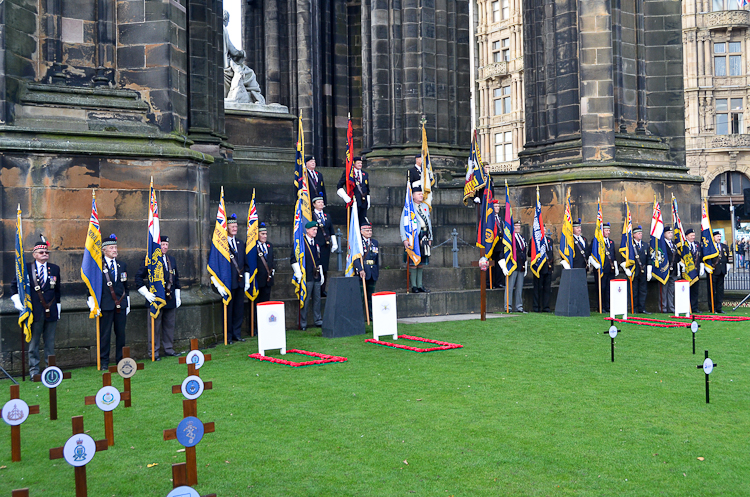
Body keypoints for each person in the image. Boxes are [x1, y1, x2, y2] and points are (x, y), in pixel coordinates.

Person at [10, 235, 61, 380]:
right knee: (34, 343)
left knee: (50, 343)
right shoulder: (26, 268)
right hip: (35, 312)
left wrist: (58, 307)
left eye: (46, 252)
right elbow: (14, 286)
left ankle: (51, 369)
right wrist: (17, 302)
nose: (44, 254)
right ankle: (34, 370)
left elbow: (57, 290)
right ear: (34, 254)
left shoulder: (55, 269)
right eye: (41, 252)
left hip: (51, 311)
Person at [135, 235, 182, 361]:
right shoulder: (150, 259)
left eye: (166, 245)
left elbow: (176, 278)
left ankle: (169, 349)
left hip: (170, 298)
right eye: (162, 244)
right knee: (154, 327)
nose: (165, 247)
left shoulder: (171, 259)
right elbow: (138, 278)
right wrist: (146, 293)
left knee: (169, 325)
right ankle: (153, 352)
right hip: (155, 298)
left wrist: (178, 295)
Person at [93, 234, 130, 367]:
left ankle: (120, 360)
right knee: (105, 335)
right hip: (106, 305)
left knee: (121, 334)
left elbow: (125, 285)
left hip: (121, 304)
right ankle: (104, 361)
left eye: (115, 247)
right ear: (104, 250)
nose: (115, 250)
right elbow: (92, 285)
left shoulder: (122, 265)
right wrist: (92, 302)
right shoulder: (97, 266)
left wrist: (128, 301)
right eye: (111, 248)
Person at [291, 221, 324, 330]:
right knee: (304, 299)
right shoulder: (301, 243)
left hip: (316, 275)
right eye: (313, 229)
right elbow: (293, 258)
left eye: (316, 229)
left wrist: (322, 273)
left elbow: (319, 259)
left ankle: (318, 320)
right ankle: (303, 322)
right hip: (306, 276)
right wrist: (298, 272)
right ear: (307, 230)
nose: (315, 231)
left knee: (317, 299)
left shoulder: (317, 243)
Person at [400, 186, 432, 293]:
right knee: (414, 262)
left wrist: (430, 237)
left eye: (422, 194)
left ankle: (420, 285)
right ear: (413, 196)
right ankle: (414, 286)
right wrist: (404, 239)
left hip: (424, 236)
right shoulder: (408, 207)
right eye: (419, 194)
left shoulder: (425, 207)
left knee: (421, 262)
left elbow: (429, 223)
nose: (421, 195)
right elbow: (402, 224)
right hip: (413, 237)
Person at [226, 214, 249, 343]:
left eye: (236, 226)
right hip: (229, 282)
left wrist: (246, 279)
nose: (235, 228)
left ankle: (237, 333)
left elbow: (245, 263)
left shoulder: (240, 243)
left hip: (240, 283)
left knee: (239, 309)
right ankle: (228, 336)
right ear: (227, 227)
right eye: (232, 226)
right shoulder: (222, 244)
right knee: (229, 310)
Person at [589, 222, 618, 312]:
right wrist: (595, 264)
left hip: (610, 269)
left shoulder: (611, 242)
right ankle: (600, 307)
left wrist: (616, 267)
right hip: (601, 270)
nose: (608, 232)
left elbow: (614, 256)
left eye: (609, 230)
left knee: (609, 289)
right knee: (602, 288)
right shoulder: (596, 242)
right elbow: (591, 254)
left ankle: (607, 306)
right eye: (606, 230)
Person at [311, 196, 337, 297]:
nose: (321, 204)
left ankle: (322, 289)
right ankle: (315, 290)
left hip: (325, 245)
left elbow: (331, 230)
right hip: (316, 244)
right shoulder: (311, 215)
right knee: (316, 267)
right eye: (319, 202)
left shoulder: (327, 216)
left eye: (322, 202)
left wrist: (334, 242)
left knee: (325, 267)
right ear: (314, 204)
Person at [353, 219, 379, 312]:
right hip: (363, 271)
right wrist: (360, 269)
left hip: (373, 272)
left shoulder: (374, 242)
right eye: (367, 231)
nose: (369, 232)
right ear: (361, 231)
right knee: (361, 296)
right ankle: (359, 314)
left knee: (371, 295)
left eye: (370, 230)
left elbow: (377, 259)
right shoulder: (358, 243)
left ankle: (371, 314)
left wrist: (377, 272)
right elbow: (355, 258)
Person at [337, 156, 370, 226]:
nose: (360, 165)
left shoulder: (365, 174)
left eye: (361, 163)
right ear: (354, 164)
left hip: (363, 202)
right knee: (354, 223)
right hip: (353, 201)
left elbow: (367, 188)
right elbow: (339, 185)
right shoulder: (349, 173)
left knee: (363, 222)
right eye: (358, 163)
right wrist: (345, 196)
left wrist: (368, 199)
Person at [502, 220, 527, 312]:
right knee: (510, 287)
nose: (518, 227)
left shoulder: (522, 238)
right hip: (512, 265)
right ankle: (507, 307)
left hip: (521, 266)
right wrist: (504, 267)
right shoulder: (510, 239)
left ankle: (519, 307)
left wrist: (525, 265)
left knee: (519, 288)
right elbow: (504, 252)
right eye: (516, 225)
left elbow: (523, 252)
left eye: (519, 226)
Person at [529, 225, 554, 312]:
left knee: (547, 288)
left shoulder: (549, 240)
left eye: (544, 228)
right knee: (538, 288)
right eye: (542, 229)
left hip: (548, 268)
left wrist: (552, 267)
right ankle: (537, 307)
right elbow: (530, 253)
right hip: (539, 268)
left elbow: (551, 254)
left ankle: (546, 307)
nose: (544, 230)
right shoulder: (534, 241)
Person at [657, 226, 680, 313]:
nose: (670, 234)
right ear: (664, 234)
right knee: (663, 290)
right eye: (668, 233)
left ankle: (671, 307)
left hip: (673, 270)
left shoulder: (673, 244)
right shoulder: (662, 245)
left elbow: (676, 257)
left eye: (671, 233)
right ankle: (663, 308)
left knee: (671, 291)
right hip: (664, 270)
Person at [705, 230, 729, 313]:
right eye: (717, 236)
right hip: (713, 271)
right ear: (713, 237)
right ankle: (712, 307)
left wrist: (727, 265)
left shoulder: (724, 246)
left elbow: (726, 257)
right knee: (712, 290)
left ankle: (719, 308)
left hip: (721, 271)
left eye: (720, 236)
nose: (719, 238)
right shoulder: (710, 247)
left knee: (720, 290)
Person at [631, 226, 650, 314]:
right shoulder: (630, 245)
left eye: (641, 233)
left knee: (643, 290)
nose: (640, 235)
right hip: (634, 270)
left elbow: (648, 258)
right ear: (634, 235)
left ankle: (642, 308)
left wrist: (649, 269)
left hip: (643, 271)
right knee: (634, 290)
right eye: (639, 233)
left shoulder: (645, 245)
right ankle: (633, 308)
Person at [256, 223, 275, 304]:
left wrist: (273, 269)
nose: (265, 236)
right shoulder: (252, 246)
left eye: (266, 234)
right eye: (262, 234)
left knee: (266, 303)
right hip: (257, 280)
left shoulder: (269, 245)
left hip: (268, 280)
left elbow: (272, 259)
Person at [686, 228, 702, 312]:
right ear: (687, 236)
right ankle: (688, 308)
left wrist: (701, 264)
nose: (693, 237)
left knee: (695, 291)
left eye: (694, 235)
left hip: (696, 271)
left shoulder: (697, 244)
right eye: (691, 235)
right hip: (688, 272)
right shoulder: (684, 245)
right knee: (688, 291)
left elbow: (700, 255)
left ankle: (695, 308)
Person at [491, 200, 504, 289]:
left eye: (498, 206)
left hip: (500, 244)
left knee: (499, 265)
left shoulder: (500, 218)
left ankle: (498, 282)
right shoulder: (490, 219)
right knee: (492, 265)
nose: (497, 208)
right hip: (492, 244)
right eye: (495, 206)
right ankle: (491, 283)